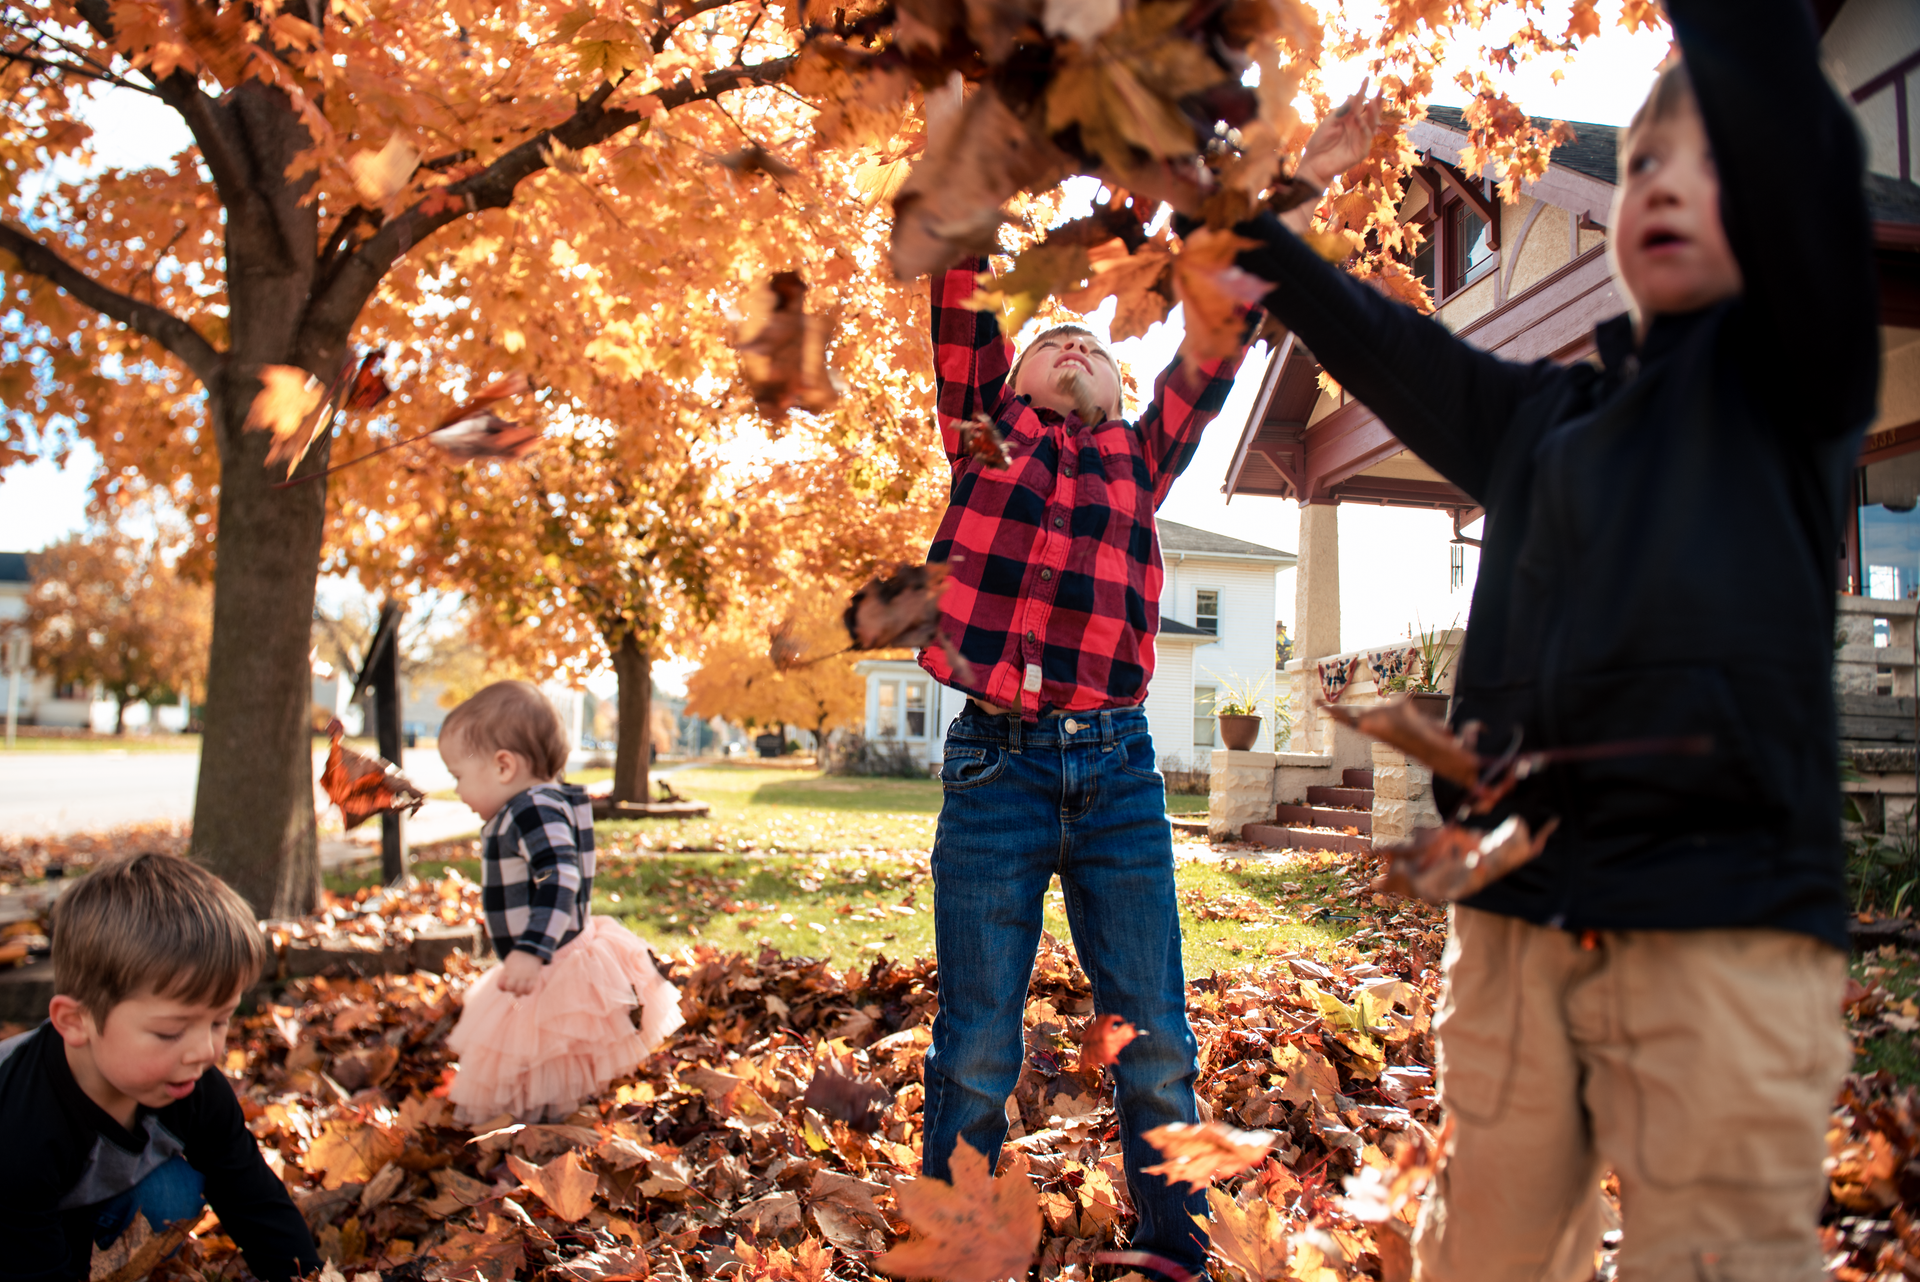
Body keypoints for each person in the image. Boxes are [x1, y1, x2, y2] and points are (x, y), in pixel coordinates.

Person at [1233, 2, 1876, 1276]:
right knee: (1488, 1246)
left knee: (1720, 1254)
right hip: (1518, 914)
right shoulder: (1544, 417)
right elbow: (1389, 340)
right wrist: (1257, 240)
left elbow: (1774, 104)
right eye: (1641, 163)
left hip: (1721, 927)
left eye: (1718, 160)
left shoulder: (1794, 382)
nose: (1668, 184)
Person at [913, 116, 1359, 1277]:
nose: (1071, 346)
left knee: (1155, 1038)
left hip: (1115, 777)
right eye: (1047, 340)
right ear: (1005, 382)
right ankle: (961, 1245)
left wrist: (1287, 203)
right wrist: (958, 136)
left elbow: (1213, 335)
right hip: (995, 771)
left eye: (1092, 345)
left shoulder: (1141, 455)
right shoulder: (984, 437)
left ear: (1119, 389)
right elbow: (959, 288)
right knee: (975, 1043)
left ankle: (1174, 1249)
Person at [0, 852, 321, 1282]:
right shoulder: (24, 1125)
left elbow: (252, 1196)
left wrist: (307, 1276)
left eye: (219, 1021)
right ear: (76, 1022)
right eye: (171, 1032)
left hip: (65, 1205)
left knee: (174, 1193)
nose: (203, 1051)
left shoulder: (191, 1084)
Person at [440, 679, 683, 1125]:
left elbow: (559, 876)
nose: (457, 791)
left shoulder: (530, 809)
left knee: (546, 1054)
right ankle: (551, 1130)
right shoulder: (537, 803)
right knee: (551, 1057)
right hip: (552, 955)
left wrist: (531, 950)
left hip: (552, 962)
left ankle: (547, 1135)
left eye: (458, 777)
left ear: (503, 766)